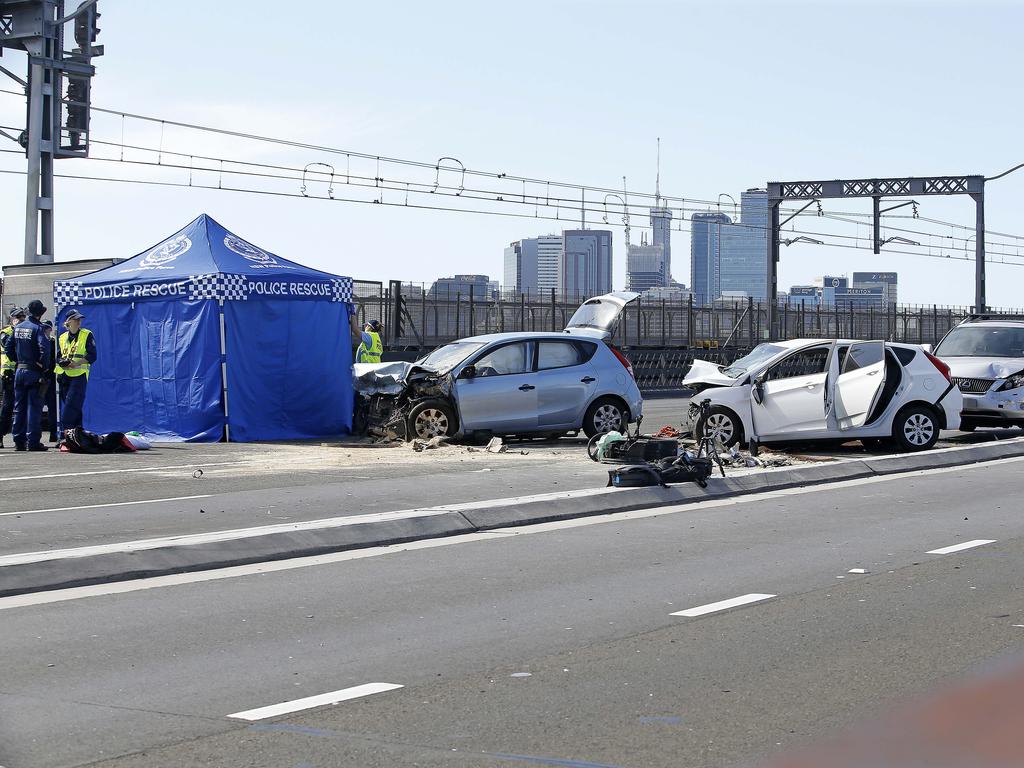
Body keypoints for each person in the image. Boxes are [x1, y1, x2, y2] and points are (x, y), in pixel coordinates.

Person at [1, 299, 51, 451]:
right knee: (34, 407)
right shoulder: (38, 328)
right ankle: (33, 441)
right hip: (33, 372)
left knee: (19, 408)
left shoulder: (17, 328)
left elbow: (8, 348)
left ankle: (19, 441)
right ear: (40, 313)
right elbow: (44, 349)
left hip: (19, 372)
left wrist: (18, 361)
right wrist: (43, 365)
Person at [54, 309, 96, 440]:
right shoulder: (62, 337)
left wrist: (76, 363)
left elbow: (92, 356)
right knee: (74, 407)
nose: (78, 322)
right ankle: (78, 435)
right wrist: (62, 362)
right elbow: (59, 356)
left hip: (79, 375)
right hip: (64, 376)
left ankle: (65, 435)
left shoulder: (86, 334)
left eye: (79, 319)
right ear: (68, 322)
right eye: (75, 319)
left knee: (71, 406)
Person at [0, 307, 27, 448]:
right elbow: (8, 347)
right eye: (18, 317)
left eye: (23, 317)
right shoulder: (6, 333)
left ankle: (22, 436)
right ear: (12, 319)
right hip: (9, 375)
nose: (21, 319)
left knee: (21, 406)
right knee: (7, 406)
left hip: (21, 373)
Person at [40, 320, 58, 443]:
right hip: (41, 377)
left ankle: (53, 433)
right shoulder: (43, 340)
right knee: (37, 406)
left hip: (50, 377)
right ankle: (36, 435)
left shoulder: (52, 342)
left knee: (52, 407)